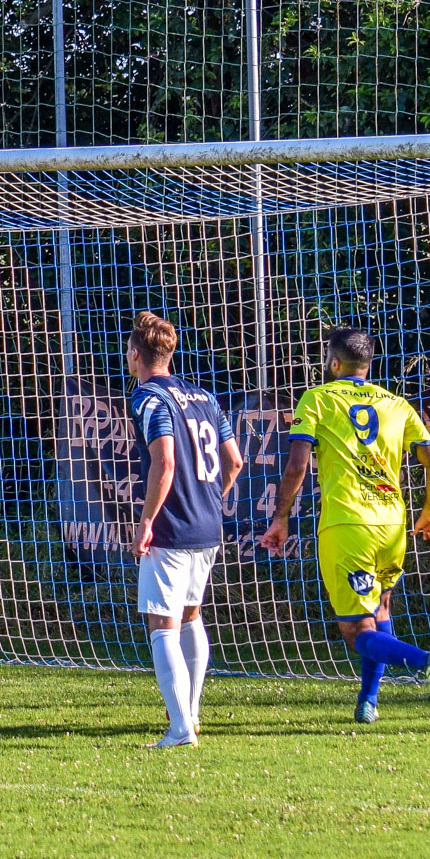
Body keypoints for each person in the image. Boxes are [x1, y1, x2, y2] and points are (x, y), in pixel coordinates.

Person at [259, 327, 430, 722]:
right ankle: (368, 703)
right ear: (367, 364)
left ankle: (427, 660)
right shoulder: (397, 404)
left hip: (348, 525)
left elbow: (297, 466)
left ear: (334, 363)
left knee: (355, 630)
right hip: (392, 525)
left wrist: (280, 518)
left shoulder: (318, 398)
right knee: (380, 610)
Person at [125, 312, 243, 747]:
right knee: (192, 617)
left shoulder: (147, 397)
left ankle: (179, 729)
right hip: (208, 524)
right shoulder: (204, 396)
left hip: (172, 527)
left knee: (163, 624)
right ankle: (190, 717)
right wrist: (210, 498)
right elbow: (235, 461)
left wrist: (147, 521)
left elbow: (166, 461)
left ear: (135, 354)